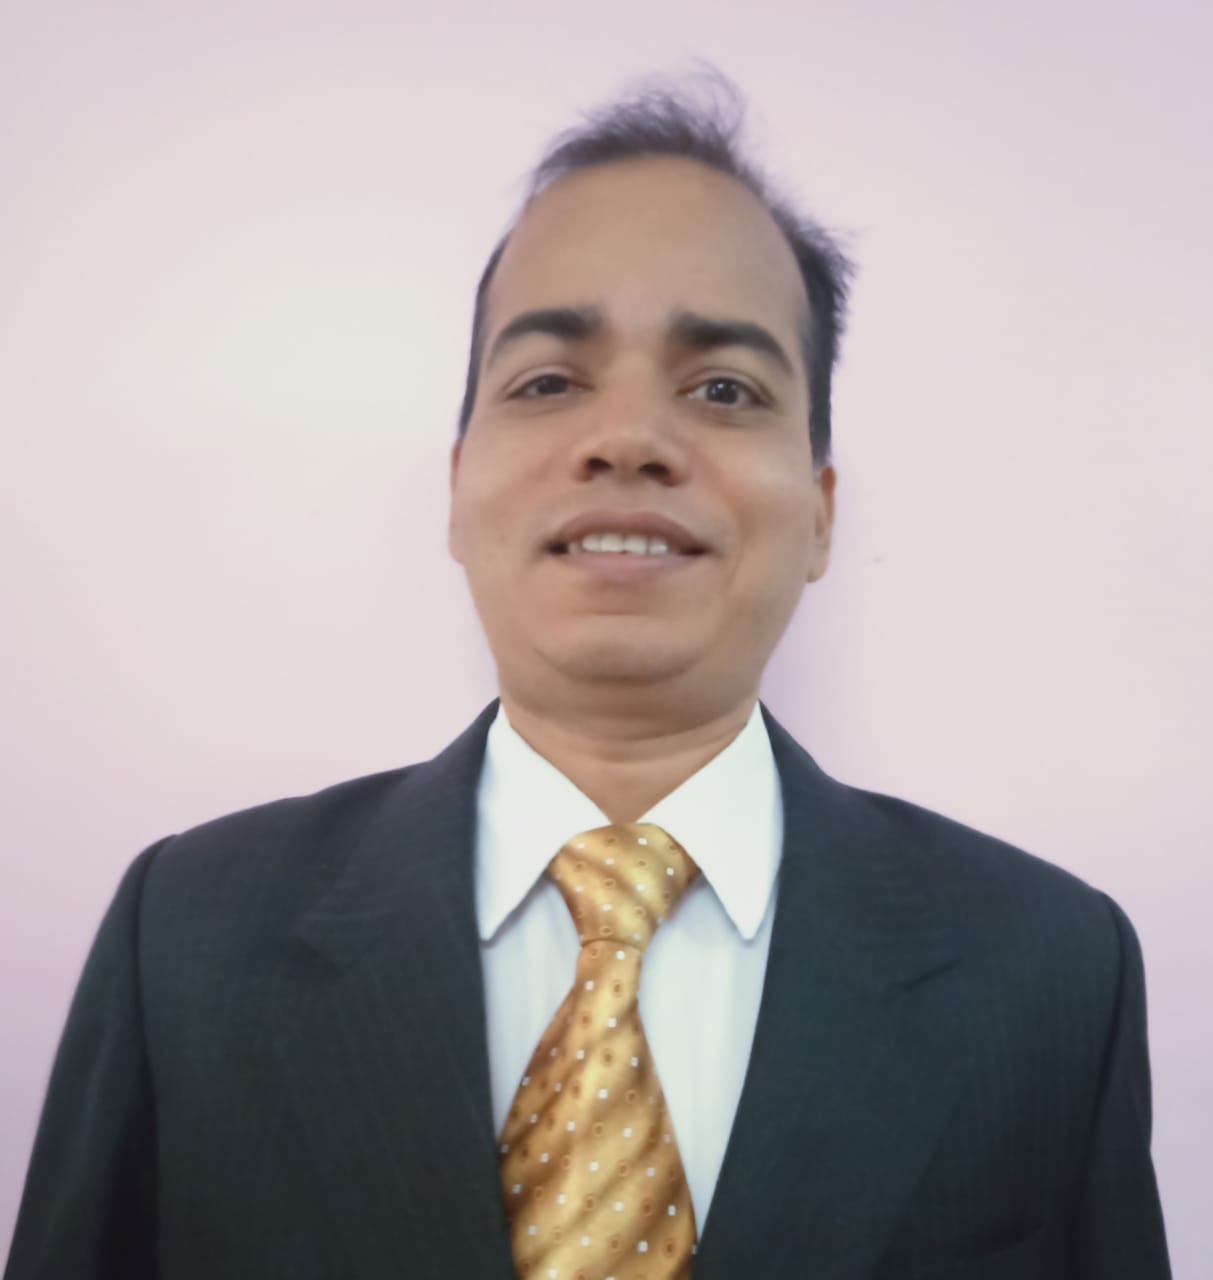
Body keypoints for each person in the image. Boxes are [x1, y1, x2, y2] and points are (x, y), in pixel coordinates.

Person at [5, 75, 1171, 1280]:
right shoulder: (187, 934)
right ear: (457, 487)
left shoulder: (1047, 968)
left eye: (723, 388)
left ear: (821, 514)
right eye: (550, 381)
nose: (627, 439)